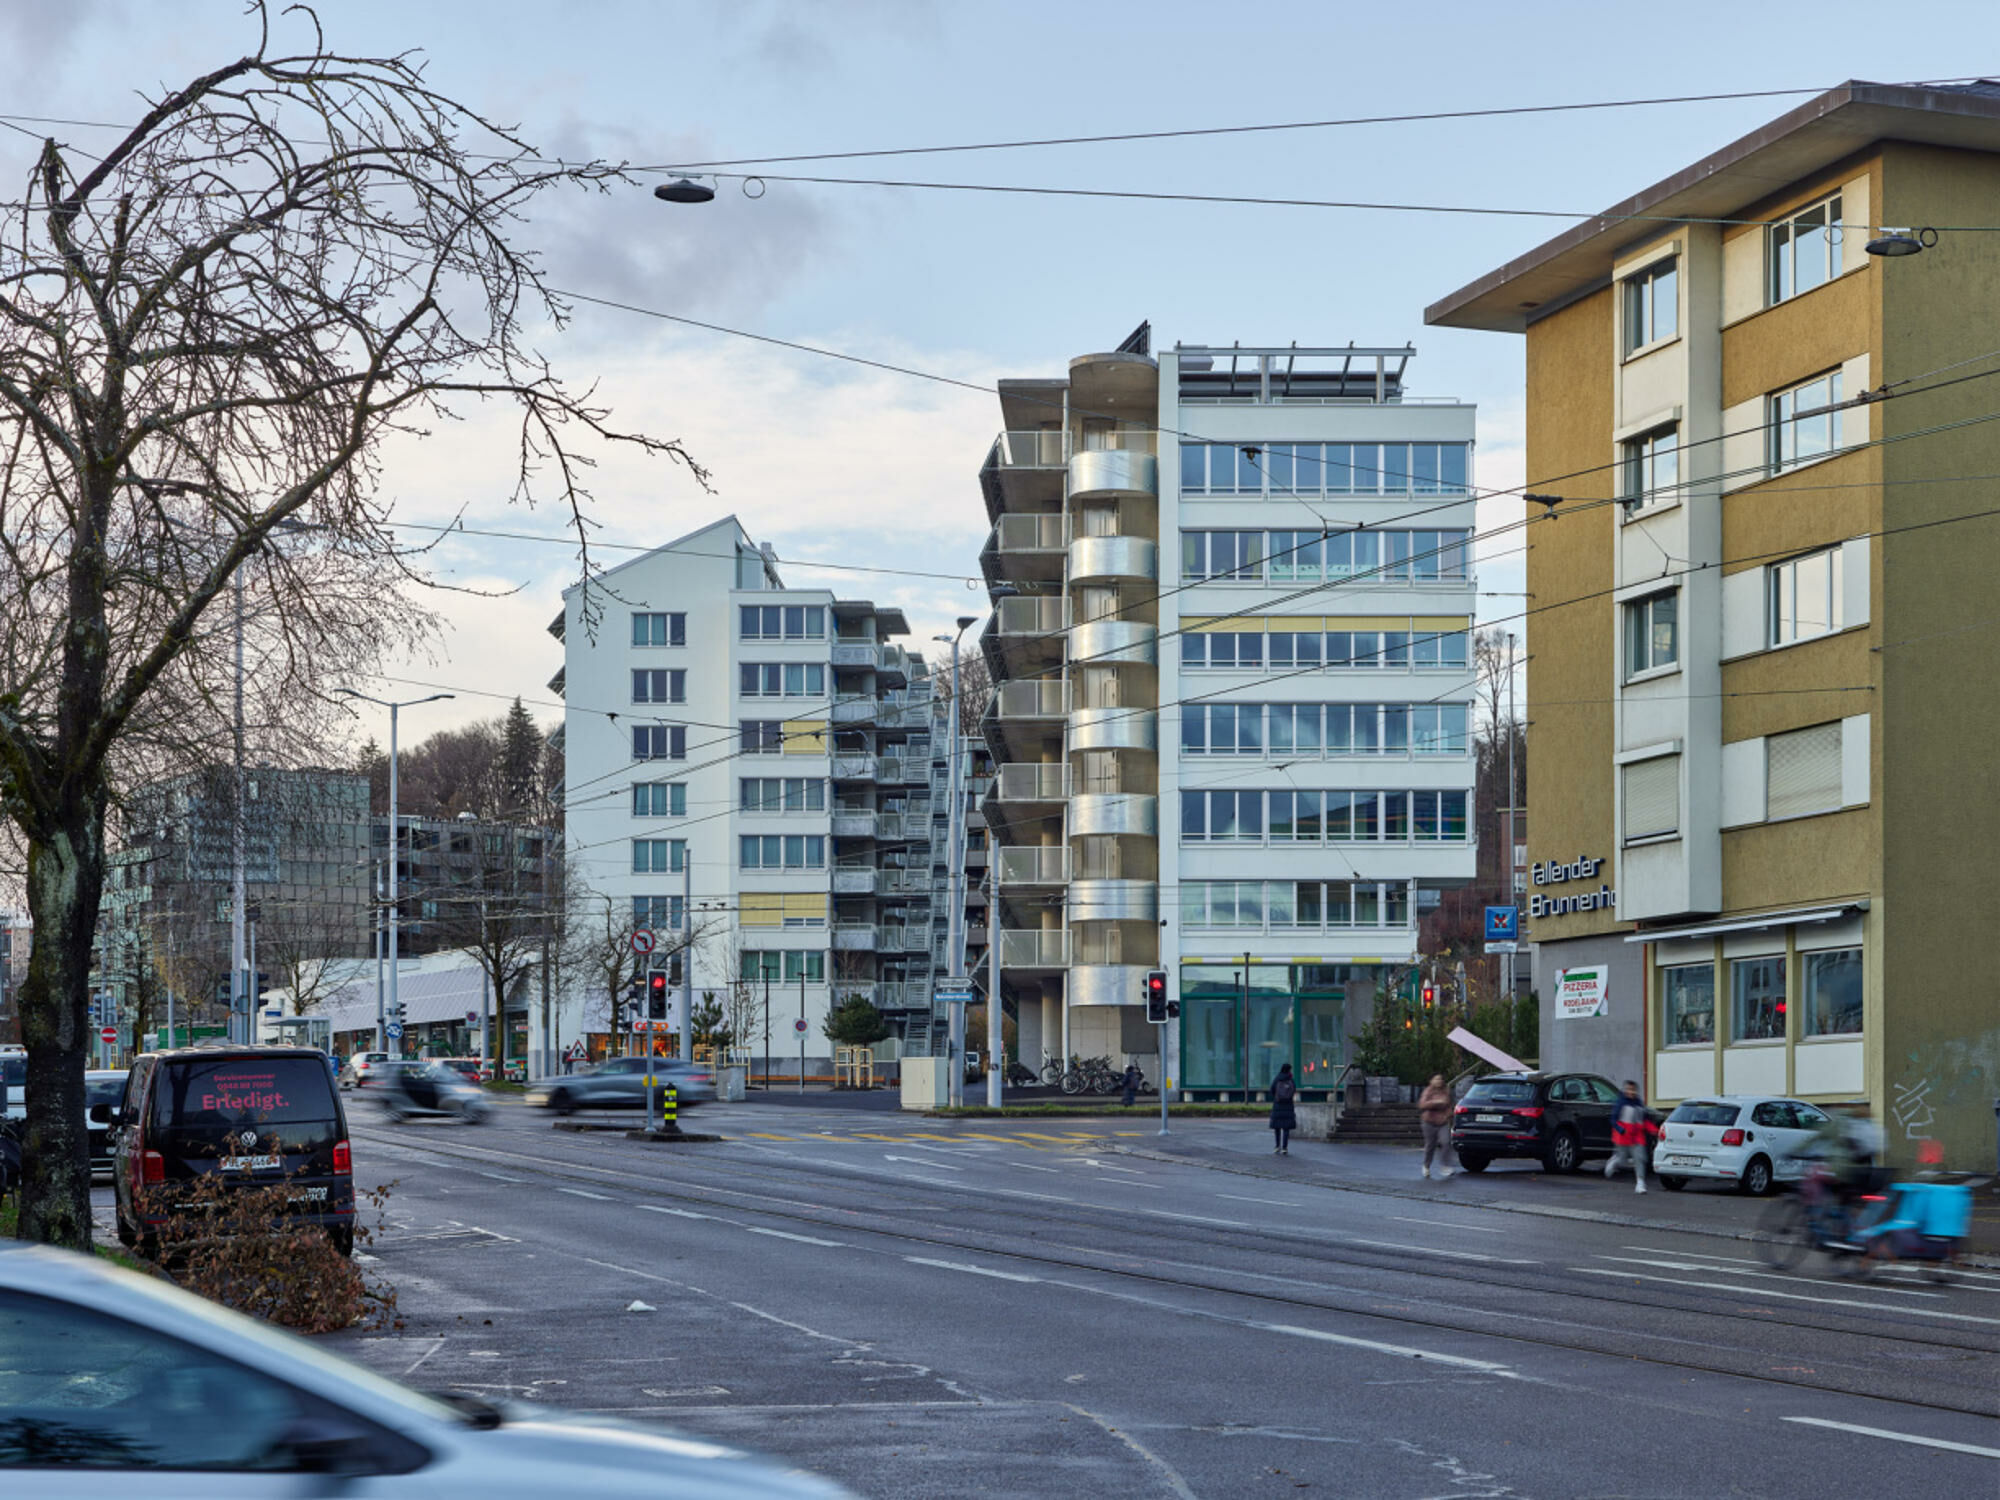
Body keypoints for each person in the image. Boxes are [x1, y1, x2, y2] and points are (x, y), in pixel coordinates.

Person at [1604, 1080, 1652, 1193]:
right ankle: (1614, 1161)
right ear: (1625, 1090)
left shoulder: (1639, 1103)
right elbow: (1613, 1120)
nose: (1631, 1092)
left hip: (1637, 1137)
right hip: (1623, 1137)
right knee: (1622, 1160)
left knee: (1640, 1158)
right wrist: (1621, 1130)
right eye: (1629, 1089)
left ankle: (1640, 1183)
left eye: (1633, 1090)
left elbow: (1644, 1120)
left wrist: (1653, 1129)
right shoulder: (1621, 1103)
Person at [1418, 1073, 1455, 1180]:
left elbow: (1449, 1105)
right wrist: (1436, 1102)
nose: (1439, 1081)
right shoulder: (1428, 1091)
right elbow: (1422, 1104)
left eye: (1440, 1079)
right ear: (1431, 1081)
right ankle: (1426, 1166)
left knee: (1446, 1142)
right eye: (1436, 1079)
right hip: (1429, 1121)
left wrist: (1448, 1115)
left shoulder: (1446, 1091)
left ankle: (1445, 1166)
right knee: (1430, 1145)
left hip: (1442, 1122)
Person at [1269, 1064, 1297, 1155]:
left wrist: (1277, 1098)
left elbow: (1272, 1089)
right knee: (1286, 1128)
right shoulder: (1290, 1079)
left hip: (1278, 1105)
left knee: (1277, 1127)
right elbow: (1294, 1090)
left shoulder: (1277, 1078)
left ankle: (1277, 1146)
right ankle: (1285, 1147)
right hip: (1288, 1106)